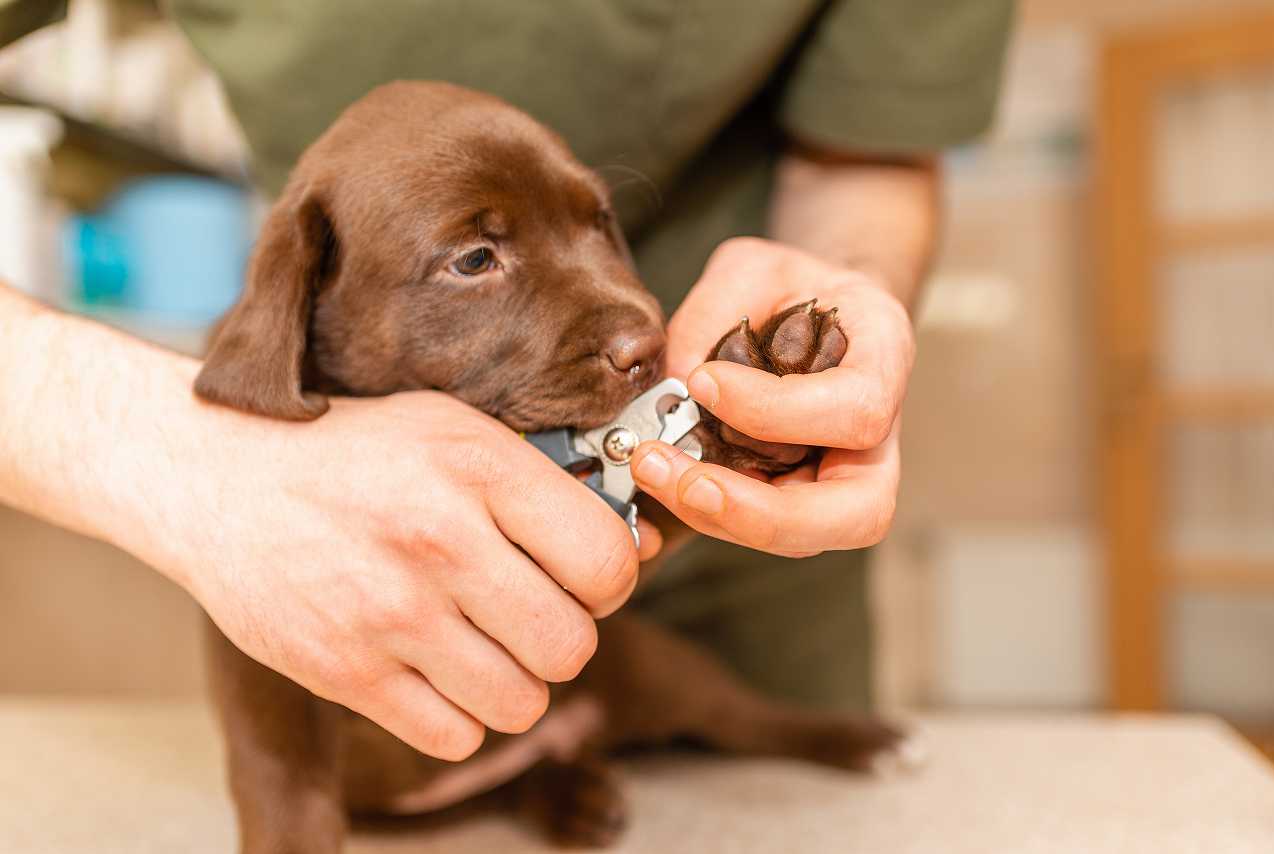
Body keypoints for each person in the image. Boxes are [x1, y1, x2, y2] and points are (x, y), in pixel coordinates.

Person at [0, 1, 1014, 760]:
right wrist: (192, 465)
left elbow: (867, 145)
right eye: (477, 258)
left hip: (736, 551)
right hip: (328, 517)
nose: (630, 323)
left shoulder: (636, 340)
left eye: (596, 225)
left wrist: (836, 309)